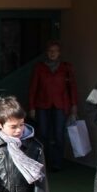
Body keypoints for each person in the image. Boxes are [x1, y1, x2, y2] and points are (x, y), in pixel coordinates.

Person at [28, 41, 78, 171]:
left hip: (60, 104)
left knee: (58, 134)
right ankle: (44, 161)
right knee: (43, 133)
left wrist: (74, 105)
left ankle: (57, 163)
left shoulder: (66, 67)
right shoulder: (40, 67)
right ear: (47, 52)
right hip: (42, 104)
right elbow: (33, 87)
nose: (52, 53)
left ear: (59, 53)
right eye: (50, 51)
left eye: (55, 51)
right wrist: (32, 106)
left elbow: (72, 87)